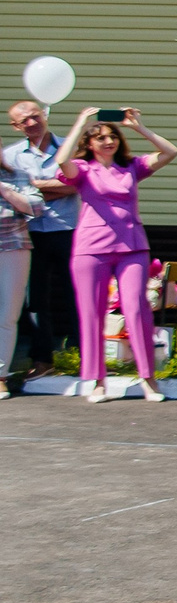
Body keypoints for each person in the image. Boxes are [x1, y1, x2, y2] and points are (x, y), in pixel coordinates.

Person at [55, 107, 177, 401]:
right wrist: (81, 122)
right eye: (100, 138)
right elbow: (61, 161)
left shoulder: (132, 166)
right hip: (91, 248)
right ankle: (98, 382)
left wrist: (140, 128)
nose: (108, 141)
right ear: (89, 144)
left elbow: (170, 152)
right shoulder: (82, 169)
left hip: (131, 247)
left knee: (137, 309)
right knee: (91, 313)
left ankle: (149, 379)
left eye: (112, 136)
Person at [5, 100, 79, 390]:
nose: (32, 123)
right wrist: (53, 187)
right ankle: (42, 360)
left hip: (69, 230)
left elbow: (77, 184)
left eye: (35, 116)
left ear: (44, 115)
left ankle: (82, 357)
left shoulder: (69, 148)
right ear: (16, 126)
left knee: (77, 294)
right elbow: (13, 193)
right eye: (24, 120)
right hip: (29, 233)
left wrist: (32, 187)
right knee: (35, 300)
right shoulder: (10, 156)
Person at [0, 160, 40, 397]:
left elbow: (35, 207)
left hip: (13, 247)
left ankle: (0, 376)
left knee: (8, 314)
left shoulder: (19, 175)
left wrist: (4, 189)